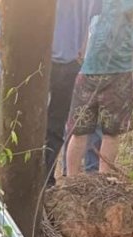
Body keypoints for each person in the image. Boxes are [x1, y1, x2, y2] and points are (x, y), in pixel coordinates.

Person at [65, 0, 133, 176]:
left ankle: (104, 177)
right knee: (79, 129)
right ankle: (71, 180)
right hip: (89, 69)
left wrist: (125, 48)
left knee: (111, 131)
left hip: (120, 71)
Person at [45, 0, 100, 183]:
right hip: (43, 61)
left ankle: (52, 178)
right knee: (46, 123)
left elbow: (96, 21)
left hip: (71, 63)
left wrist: (84, 53)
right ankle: (41, 177)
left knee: (59, 124)